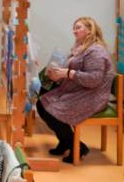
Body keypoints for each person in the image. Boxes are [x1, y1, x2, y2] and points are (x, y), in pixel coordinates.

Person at [37, 17, 114, 163]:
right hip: (81, 92)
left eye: (78, 27)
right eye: (74, 28)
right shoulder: (82, 49)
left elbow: (94, 79)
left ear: (89, 30)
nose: (74, 31)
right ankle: (65, 141)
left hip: (92, 96)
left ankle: (77, 147)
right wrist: (58, 75)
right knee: (42, 104)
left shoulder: (96, 51)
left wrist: (67, 73)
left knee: (52, 110)